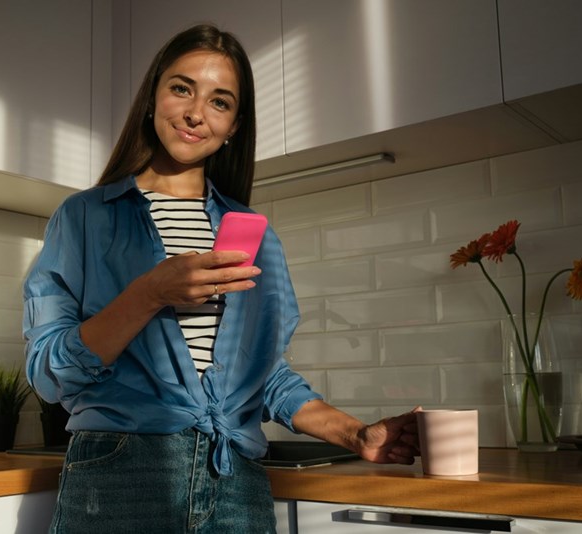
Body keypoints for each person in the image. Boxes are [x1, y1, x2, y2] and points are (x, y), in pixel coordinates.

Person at [23, 24, 419, 534]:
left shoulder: (255, 236)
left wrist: (356, 435)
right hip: (119, 477)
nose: (195, 113)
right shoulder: (83, 218)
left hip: (234, 481)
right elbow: (48, 373)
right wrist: (149, 293)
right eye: (181, 88)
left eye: (220, 101)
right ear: (152, 97)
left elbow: (264, 376)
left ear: (234, 124)